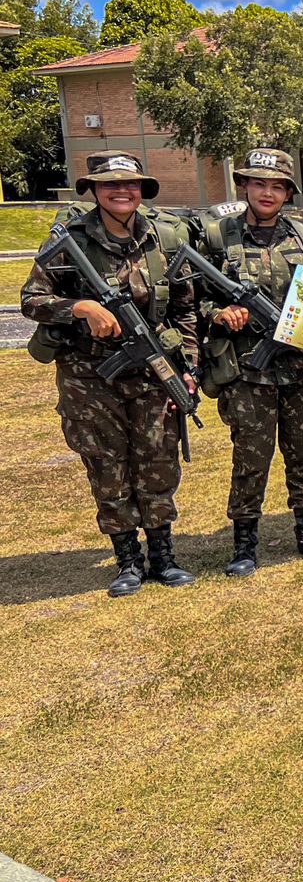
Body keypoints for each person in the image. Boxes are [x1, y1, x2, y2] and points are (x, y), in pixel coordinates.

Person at [21, 152, 199, 596]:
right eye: (110, 185)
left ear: (143, 190)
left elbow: (185, 310)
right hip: (90, 377)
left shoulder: (163, 239)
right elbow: (31, 300)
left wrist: (189, 366)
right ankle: (127, 560)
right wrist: (79, 307)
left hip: (152, 374)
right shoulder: (71, 240)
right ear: (94, 191)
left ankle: (163, 555)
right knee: (107, 465)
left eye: (131, 184)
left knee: (158, 462)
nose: (122, 191)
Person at [197, 148, 303, 575]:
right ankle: (245, 542)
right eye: (260, 184)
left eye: (277, 186)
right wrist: (219, 314)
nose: (268, 192)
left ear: (287, 192)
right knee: (251, 457)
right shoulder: (218, 238)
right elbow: (195, 299)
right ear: (244, 186)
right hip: (250, 370)